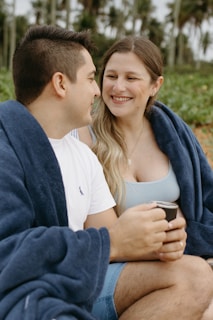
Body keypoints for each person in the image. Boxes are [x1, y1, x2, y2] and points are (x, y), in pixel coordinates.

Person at [0, 25, 212, 320]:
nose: (100, 90)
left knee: (198, 279)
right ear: (61, 83)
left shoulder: (83, 158)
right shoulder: (8, 151)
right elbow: (8, 253)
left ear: (155, 85)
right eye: (93, 78)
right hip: (43, 285)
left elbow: (114, 233)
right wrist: (110, 243)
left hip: (86, 276)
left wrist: (160, 242)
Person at [73, 35, 213, 318]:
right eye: (110, 76)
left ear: (155, 85)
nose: (118, 86)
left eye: (131, 77)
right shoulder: (84, 139)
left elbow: (205, 200)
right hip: (110, 270)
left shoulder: (175, 135)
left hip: (172, 261)